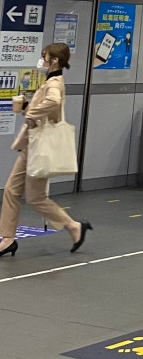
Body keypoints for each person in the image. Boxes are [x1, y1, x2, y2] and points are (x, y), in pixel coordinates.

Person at [0, 43, 92, 258]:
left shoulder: (54, 83)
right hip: (32, 145)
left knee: (35, 197)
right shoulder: (51, 81)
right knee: (12, 190)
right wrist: (27, 108)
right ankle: (7, 238)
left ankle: (73, 226)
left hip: (39, 146)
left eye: (45, 56)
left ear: (55, 60)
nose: (42, 60)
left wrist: (31, 114)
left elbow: (53, 102)